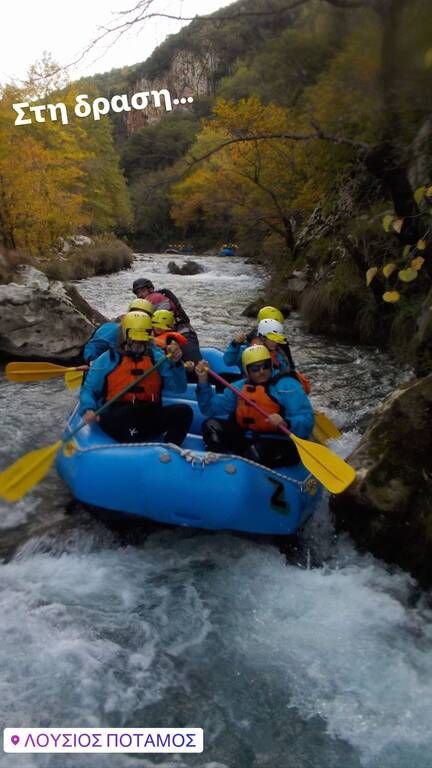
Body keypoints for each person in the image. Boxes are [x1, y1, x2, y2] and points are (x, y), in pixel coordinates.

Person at [80, 312, 193, 445]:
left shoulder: (156, 357)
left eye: (142, 337)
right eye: (135, 337)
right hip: (118, 417)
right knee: (131, 413)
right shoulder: (108, 359)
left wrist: (176, 364)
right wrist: (88, 408)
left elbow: (179, 388)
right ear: (125, 335)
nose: (139, 343)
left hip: (148, 414)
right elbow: (88, 389)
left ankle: (171, 449)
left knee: (184, 412)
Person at [195, 344, 314, 468]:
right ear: (247, 371)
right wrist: (203, 381)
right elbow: (210, 408)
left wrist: (286, 423)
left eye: (265, 366)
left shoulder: (288, 386)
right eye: (255, 368)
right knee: (210, 425)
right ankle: (220, 468)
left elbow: (307, 419)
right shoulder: (238, 387)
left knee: (255, 452)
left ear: (271, 365)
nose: (262, 371)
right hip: (248, 437)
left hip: (280, 441)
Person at [132, 278, 201, 362]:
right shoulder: (146, 301)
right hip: (167, 334)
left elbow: (138, 318)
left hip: (183, 333)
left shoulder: (155, 297)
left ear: (150, 289)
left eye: (142, 291)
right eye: (137, 293)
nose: (140, 295)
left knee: (193, 361)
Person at [82, 298, 154, 364]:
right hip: (105, 364)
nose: (140, 319)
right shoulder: (111, 331)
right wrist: (93, 361)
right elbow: (94, 346)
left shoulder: (148, 335)